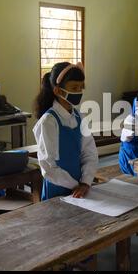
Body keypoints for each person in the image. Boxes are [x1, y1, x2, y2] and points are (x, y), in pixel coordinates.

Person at [33, 62, 98, 201]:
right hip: (57, 189)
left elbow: (90, 152)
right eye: (74, 88)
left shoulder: (79, 117)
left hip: (80, 189)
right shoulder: (48, 122)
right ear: (58, 91)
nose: (79, 92)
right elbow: (48, 167)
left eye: (81, 87)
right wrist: (76, 185)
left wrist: (86, 182)